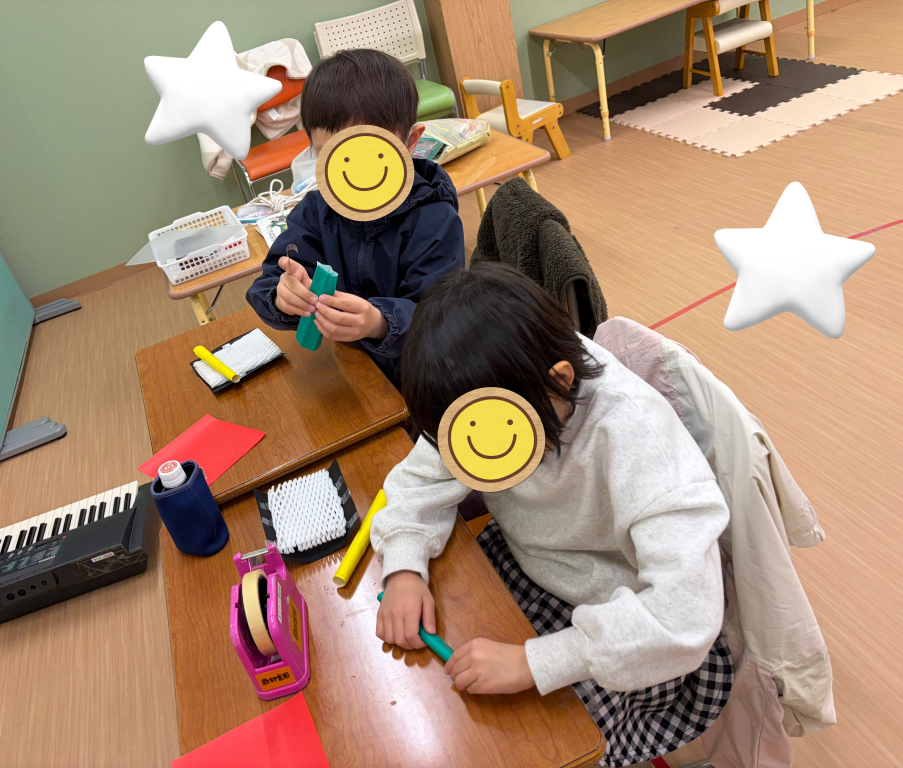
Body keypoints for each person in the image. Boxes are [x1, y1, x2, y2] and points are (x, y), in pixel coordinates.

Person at [372, 263, 734, 766]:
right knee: (436, 702)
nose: (472, 451)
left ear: (560, 380)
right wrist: (404, 569)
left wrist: (534, 662)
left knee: (538, 746)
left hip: (627, 623)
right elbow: (419, 480)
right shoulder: (488, 393)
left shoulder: (632, 433)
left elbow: (684, 614)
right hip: (532, 565)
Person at [245, 49, 465, 386]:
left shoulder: (434, 218)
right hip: (351, 370)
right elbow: (271, 279)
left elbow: (443, 317)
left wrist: (380, 323)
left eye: (368, 156)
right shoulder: (315, 211)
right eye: (331, 156)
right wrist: (282, 296)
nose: (353, 176)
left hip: (419, 375)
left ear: (410, 142)